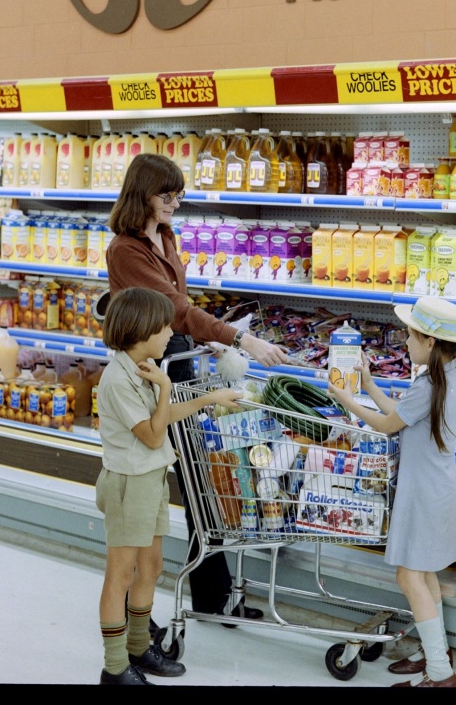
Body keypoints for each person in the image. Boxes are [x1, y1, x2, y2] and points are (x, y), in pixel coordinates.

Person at [105, 153, 288, 623]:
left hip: (178, 358)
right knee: (169, 483)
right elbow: (175, 310)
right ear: (142, 194)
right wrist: (240, 339)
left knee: (201, 483)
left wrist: (202, 341)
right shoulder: (124, 250)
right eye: (167, 195)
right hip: (151, 369)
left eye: (179, 195)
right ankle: (143, 611)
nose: (175, 203)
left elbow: (180, 311)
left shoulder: (165, 236)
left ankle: (213, 597)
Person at [94, 287, 246, 685]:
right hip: (129, 484)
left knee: (152, 567)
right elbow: (152, 434)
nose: (170, 334)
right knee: (121, 575)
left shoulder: (141, 367)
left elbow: (161, 417)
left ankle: (138, 647)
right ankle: (114, 667)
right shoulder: (119, 379)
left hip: (151, 478)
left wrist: (208, 398)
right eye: (164, 327)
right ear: (142, 330)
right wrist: (165, 386)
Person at [327, 296, 456, 688]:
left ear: (430, 341)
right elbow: (402, 416)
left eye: (410, 335)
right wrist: (369, 385)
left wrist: (346, 398)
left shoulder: (429, 384)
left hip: (421, 492)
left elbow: (386, 425)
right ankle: (435, 654)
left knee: (409, 578)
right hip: (435, 488)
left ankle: (441, 675)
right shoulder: (446, 377)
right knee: (424, 574)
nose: (406, 342)